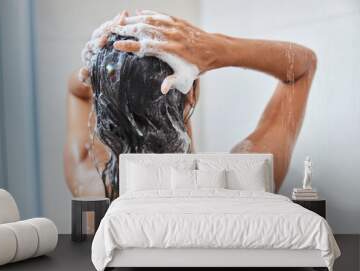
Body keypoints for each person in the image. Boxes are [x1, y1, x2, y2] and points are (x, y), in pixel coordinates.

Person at [64, 10, 317, 199]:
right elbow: (303, 68)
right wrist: (218, 47)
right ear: (191, 93)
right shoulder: (241, 182)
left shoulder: (88, 177)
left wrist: (102, 69)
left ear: (102, 98)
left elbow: (76, 93)